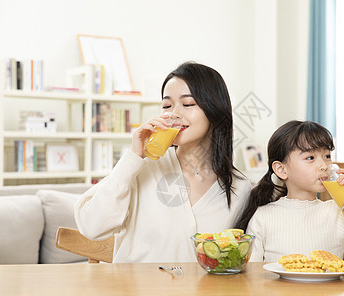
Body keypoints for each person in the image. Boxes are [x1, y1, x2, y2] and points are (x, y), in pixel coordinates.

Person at [75, 62, 251, 263]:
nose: (173, 114)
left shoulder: (239, 187)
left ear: (215, 110)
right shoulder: (141, 167)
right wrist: (133, 156)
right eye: (166, 106)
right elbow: (92, 226)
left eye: (188, 104)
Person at [235, 120, 344, 262]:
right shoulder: (263, 217)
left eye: (327, 156)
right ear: (281, 169)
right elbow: (252, 276)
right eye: (310, 158)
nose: (324, 165)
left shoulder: (337, 213)